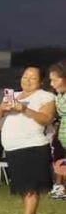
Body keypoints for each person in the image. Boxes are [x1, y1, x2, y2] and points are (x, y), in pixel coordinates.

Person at [0, 66, 57, 214]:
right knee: (22, 186)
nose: (27, 80)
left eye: (33, 78)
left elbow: (46, 119)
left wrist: (24, 109)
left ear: (41, 81)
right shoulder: (12, 95)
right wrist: (2, 108)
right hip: (12, 147)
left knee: (31, 186)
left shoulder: (46, 96)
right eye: (25, 76)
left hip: (32, 145)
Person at [50, 61, 66, 200]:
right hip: (62, 135)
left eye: (55, 80)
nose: (52, 83)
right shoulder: (58, 96)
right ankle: (60, 188)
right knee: (60, 161)